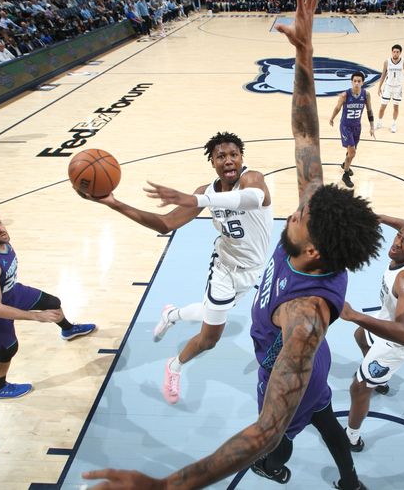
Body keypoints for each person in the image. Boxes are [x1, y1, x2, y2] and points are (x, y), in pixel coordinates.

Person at [83, 0, 381, 490]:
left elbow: (264, 428)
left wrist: (166, 486)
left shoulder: (305, 318)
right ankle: (349, 479)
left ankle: (335, 477)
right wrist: (305, 54)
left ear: (310, 250)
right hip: (272, 316)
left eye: (295, 218)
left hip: (286, 362)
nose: (291, 211)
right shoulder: (318, 221)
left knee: (290, 426)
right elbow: (306, 132)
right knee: (322, 418)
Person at [81, 131, 274, 404]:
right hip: (225, 270)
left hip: (255, 268)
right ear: (212, 162)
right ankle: (174, 366)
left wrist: (199, 201)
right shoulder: (203, 192)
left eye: (234, 155)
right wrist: (115, 204)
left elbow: (253, 198)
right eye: (221, 156)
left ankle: (172, 314)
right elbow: (165, 224)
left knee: (212, 311)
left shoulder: (252, 178)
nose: (229, 160)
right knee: (209, 339)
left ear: (242, 158)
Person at [0, 209, 97, 399]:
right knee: (8, 348)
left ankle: (68, 329)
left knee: (52, 302)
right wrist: (35, 316)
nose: (0, 229)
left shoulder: (1, 241)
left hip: (10, 291)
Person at [342, 214, 404, 452]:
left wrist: (354, 315)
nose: (397, 242)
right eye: (398, 236)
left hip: (396, 342)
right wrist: (378, 218)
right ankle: (379, 379)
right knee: (360, 336)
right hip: (387, 320)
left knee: (358, 388)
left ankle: (352, 437)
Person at [329, 71, 375, 188]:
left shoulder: (366, 95)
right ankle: (345, 175)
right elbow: (337, 107)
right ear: (351, 82)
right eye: (354, 81)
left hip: (357, 127)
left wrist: (372, 126)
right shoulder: (345, 95)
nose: (356, 83)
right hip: (345, 126)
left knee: (351, 152)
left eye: (359, 81)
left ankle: (345, 163)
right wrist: (332, 118)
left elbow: (369, 110)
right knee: (353, 152)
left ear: (363, 82)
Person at [376, 44, 404, 133]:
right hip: (388, 87)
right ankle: (379, 122)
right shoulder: (387, 62)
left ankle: (393, 124)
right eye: (394, 52)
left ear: (400, 53)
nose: (395, 53)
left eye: (397, 52)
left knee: (396, 107)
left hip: (398, 88)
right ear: (392, 52)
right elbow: (383, 74)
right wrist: (379, 86)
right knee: (382, 107)